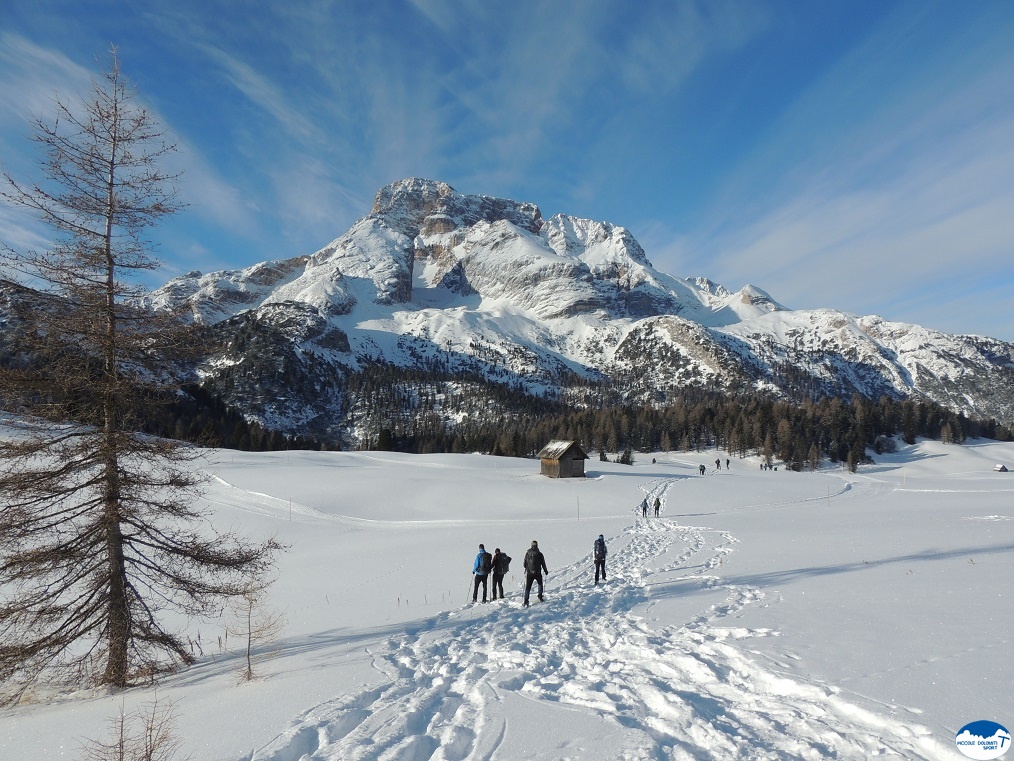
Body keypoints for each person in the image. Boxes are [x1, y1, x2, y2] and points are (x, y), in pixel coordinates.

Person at [523, 540, 548, 607]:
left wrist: (527, 569)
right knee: (540, 584)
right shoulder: (539, 554)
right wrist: (545, 570)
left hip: (529, 573)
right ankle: (540, 596)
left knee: (528, 587)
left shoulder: (527, 553)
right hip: (537, 573)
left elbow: (524, 564)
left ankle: (526, 600)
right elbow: (543, 563)